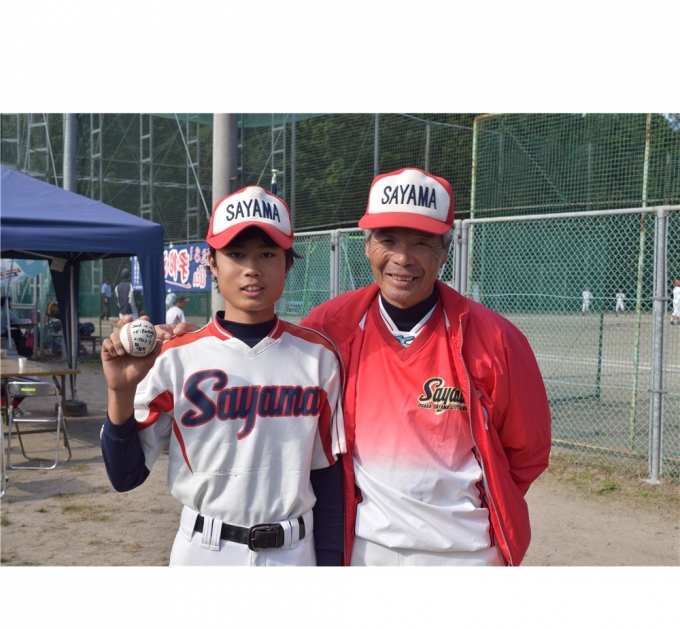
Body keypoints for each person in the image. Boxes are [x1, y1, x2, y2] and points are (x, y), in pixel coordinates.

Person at [301, 168, 551, 566]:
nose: (402, 258)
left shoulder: (496, 339)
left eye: (422, 242)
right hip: (364, 549)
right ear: (367, 246)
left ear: (445, 252)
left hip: (466, 552)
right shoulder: (328, 329)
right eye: (388, 240)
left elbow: (527, 451)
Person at [100, 186, 346, 566]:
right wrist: (120, 391)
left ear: (288, 263)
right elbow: (125, 476)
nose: (252, 268)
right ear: (212, 264)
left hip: (295, 550)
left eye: (267, 254)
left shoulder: (318, 356)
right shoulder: (176, 356)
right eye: (236, 254)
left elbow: (327, 477)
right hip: (204, 550)